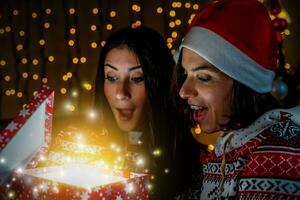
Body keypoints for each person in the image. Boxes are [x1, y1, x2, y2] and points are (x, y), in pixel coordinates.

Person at [174, 0, 300, 199]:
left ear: (244, 81)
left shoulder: (277, 152)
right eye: (185, 74)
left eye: (203, 77)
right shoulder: (232, 143)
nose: (183, 91)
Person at [94, 26, 199, 199]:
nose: (121, 93)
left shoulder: (199, 167)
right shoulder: (87, 156)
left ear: (160, 83)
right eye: (112, 78)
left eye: (137, 79)